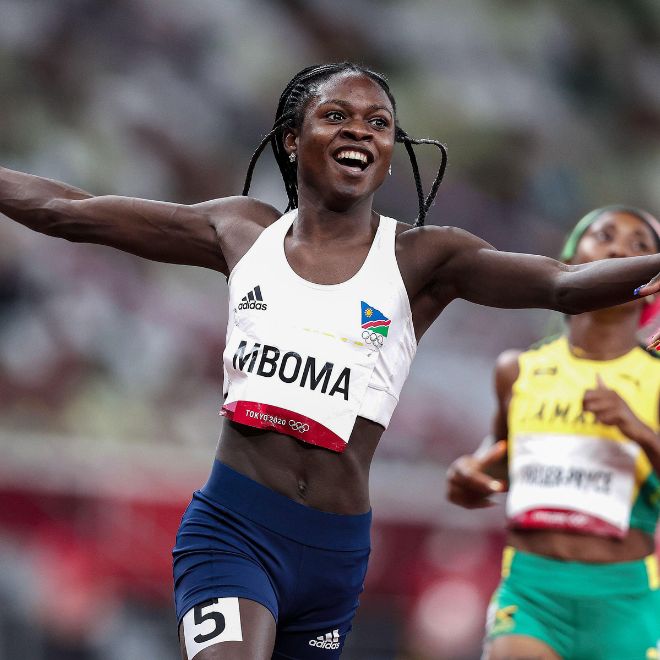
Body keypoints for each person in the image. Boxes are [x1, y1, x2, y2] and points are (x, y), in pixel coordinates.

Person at [2, 62, 660, 660]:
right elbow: (70, 212)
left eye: (379, 123)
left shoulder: (424, 258)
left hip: (334, 553)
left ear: (390, 156)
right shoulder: (241, 231)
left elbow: (563, 285)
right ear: (293, 139)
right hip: (235, 527)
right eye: (336, 115)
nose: (361, 132)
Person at [446, 206, 660, 660]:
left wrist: (637, 429)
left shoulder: (657, 378)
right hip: (531, 591)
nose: (620, 248)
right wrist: (470, 472)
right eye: (604, 235)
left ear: (651, 286)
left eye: (640, 246)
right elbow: (499, 457)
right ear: (569, 260)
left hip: (625, 598)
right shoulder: (517, 370)